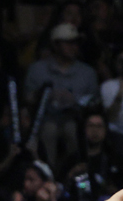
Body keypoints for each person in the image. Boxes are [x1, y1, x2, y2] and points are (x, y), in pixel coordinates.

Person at [24, 23, 98, 171]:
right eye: (68, 43)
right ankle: (48, 176)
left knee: (71, 130)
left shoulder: (87, 72)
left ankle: (73, 175)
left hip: (75, 120)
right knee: (49, 130)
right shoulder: (38, 70)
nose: (73, 47)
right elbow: (27, 99)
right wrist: (43, 95)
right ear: (55, 45)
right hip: (45, 120)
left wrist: (75, 100)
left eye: (76, 43)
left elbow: (95, 102)